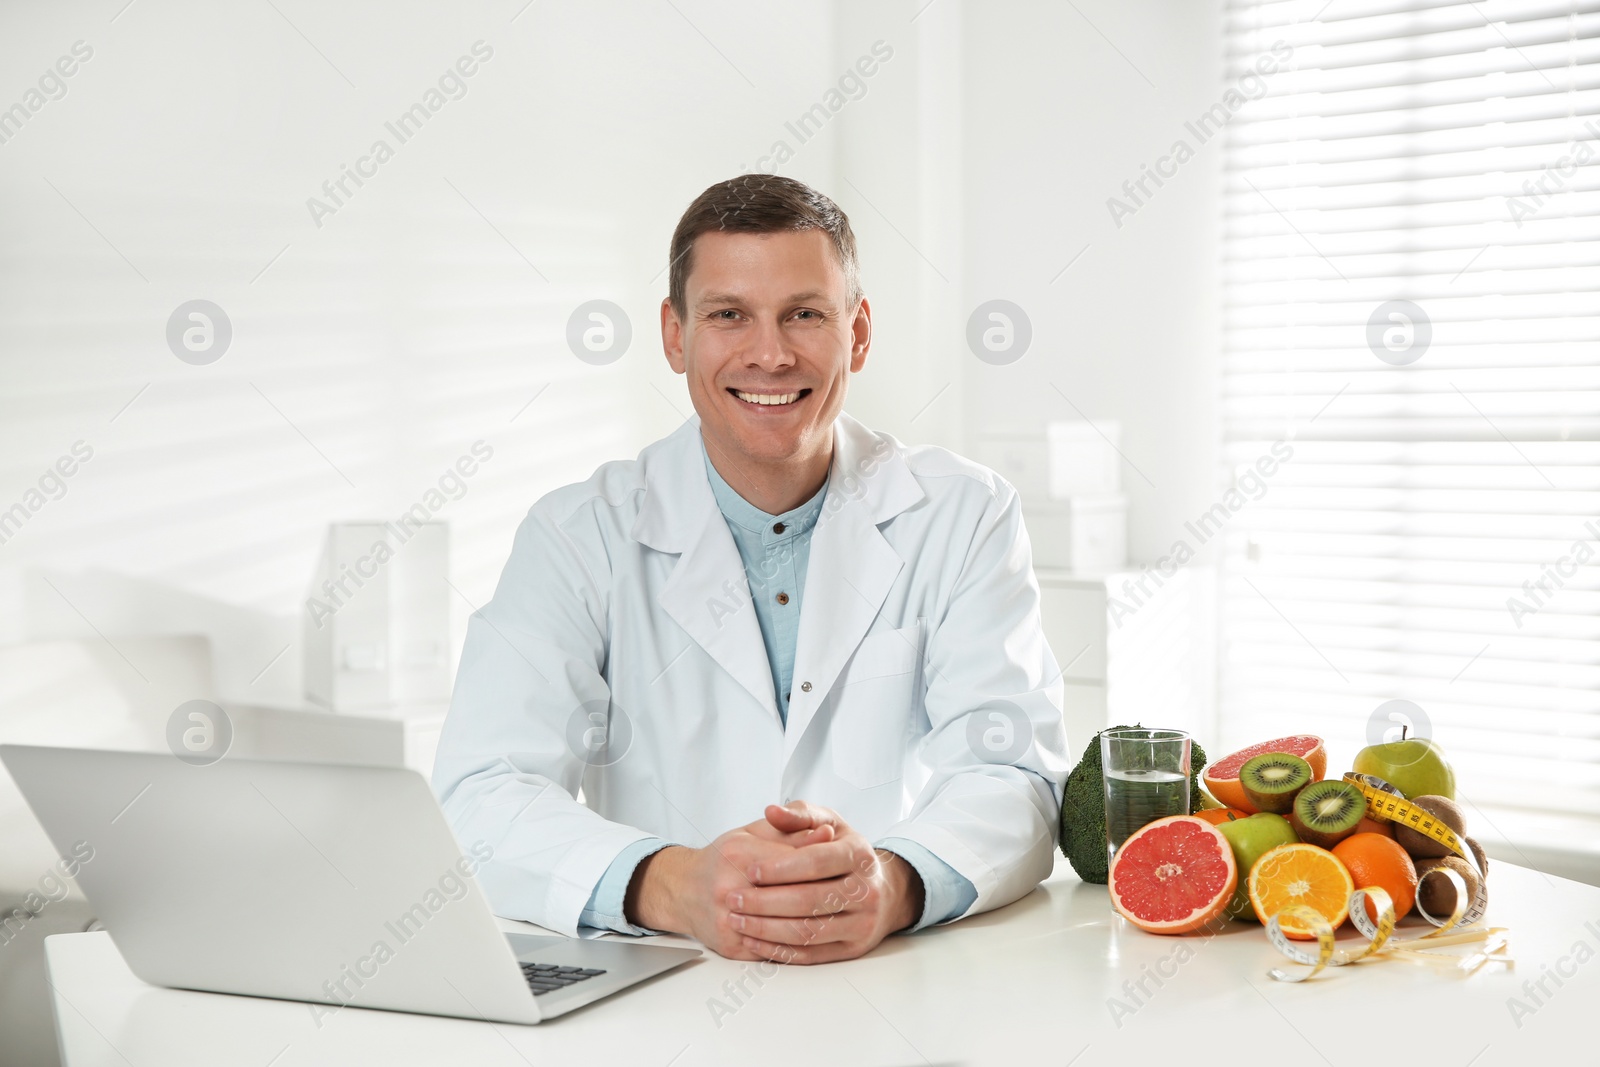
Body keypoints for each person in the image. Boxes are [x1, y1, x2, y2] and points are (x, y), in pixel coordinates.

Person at [432, 175, 1069, 965]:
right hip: (665, 983)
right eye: (729, 314)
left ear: (859, 332)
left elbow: (1012, 773)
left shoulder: (964, 513)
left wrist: (890, 884)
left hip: (893, 975)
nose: (770, 354)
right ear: (675, 335)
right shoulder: (579, 533)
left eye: (805, 313)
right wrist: (676, 884)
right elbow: (481, 793)